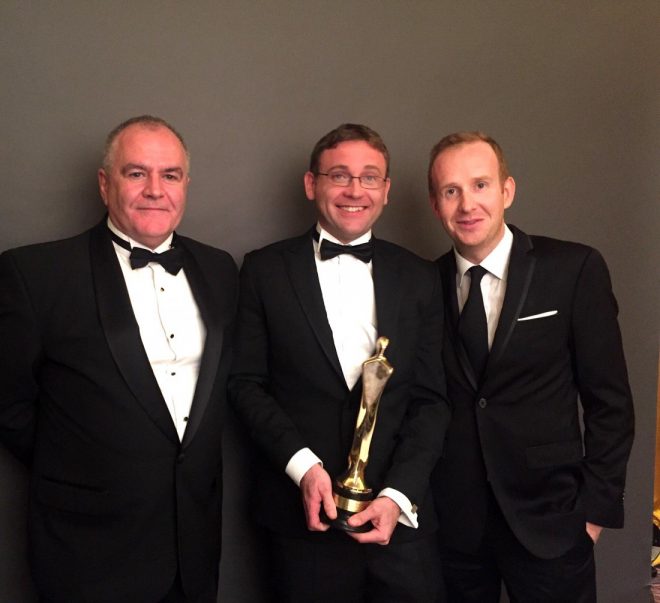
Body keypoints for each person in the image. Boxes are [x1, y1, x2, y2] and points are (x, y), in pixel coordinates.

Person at [0, 115, 238, 603]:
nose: (155, 189)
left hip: (192, 544)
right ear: (105, 183)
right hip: (86, 548)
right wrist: (86, 463)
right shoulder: (35, 273)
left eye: (169, 175)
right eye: (137, 173)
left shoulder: (220, 269)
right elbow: (9, 403)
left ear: (185, 185)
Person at [229, 123, 450, 603]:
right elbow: (245, 384)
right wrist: (304, 468)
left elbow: (432, 401)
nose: (355, 190)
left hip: (401, 525)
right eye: (339, 176)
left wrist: (398, 495)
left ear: (387, 191)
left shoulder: (420, 277)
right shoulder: (264, 270)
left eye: (370, 177)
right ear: (312, 184)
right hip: (300, 522)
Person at [427, 131, 634, 602]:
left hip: (552, 520)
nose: (467, 204)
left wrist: (594, 514)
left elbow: (611, 402)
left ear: (507, 191)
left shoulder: (573, 268)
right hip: (454, 527)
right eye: (451, 190)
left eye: (480, 185)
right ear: (435, 203)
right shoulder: (423, 283)